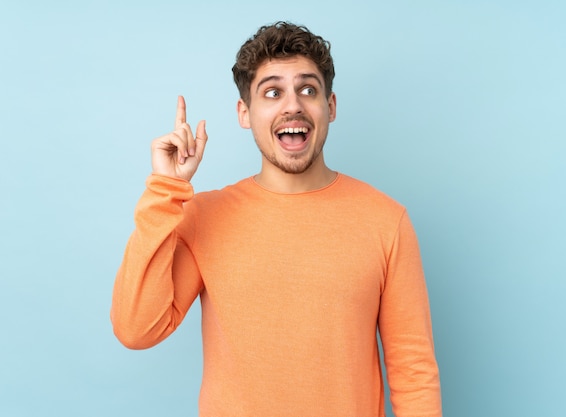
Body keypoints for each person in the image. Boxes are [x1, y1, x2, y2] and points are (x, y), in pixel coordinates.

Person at [111, 21, 441, 417]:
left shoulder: (387, 220)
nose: (293, 105)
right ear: (245, 113)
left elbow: (413, 371)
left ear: (330, 107)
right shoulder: (204, 217)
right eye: (272, 92)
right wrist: (165, 190)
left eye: (308, 89)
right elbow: (136, 329)